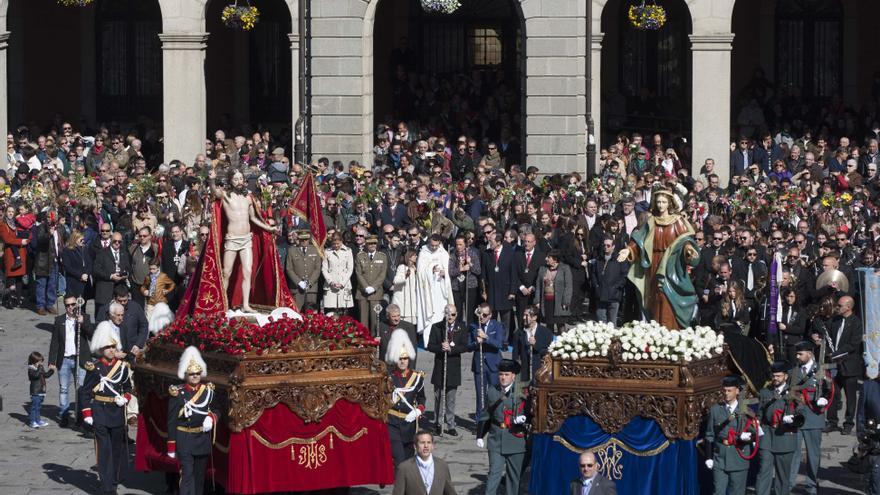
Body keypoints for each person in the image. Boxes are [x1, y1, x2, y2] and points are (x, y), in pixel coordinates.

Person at [617, 189, 699, 329]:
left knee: (666, 296)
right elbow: (639, 240)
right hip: (654, 263)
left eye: (664, 202)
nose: (661, 205)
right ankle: (656, 328)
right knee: (655, 297)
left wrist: (689, 250)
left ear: (669, 203)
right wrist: (629, 249)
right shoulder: (652, 221)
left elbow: (685, 240)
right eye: (659, 202)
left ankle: (670, 328)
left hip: (671, 264)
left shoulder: (677, 221)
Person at [207, 168, 281, 312]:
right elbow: (214, 191)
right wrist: (212, 180)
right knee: (226, 272)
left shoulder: (248, 198)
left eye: (241, 178)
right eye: (236, 179)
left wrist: (268, 228)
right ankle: (223, 304)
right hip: (232, 238)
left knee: (247, 272)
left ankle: (246, 305)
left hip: (247, 239)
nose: (239, 182)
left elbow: (253, 218)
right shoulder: (226, 196)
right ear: (230, 181)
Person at [81, 321, 134, 495]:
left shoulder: (122, 368)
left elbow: (127, 388)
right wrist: (87, 413)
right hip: (101, 411)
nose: (111, 350)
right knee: (104, 450)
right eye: (108, 347)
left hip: (117, 412)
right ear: (101, 349)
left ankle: (113, 481)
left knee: (116, 450)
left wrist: (125, 399)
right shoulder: (95, 368)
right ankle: (106, 486)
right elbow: (85, 392)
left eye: (113, 347)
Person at [166, 346, 219, 495]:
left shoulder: (208, 391)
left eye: (197, 373)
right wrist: (171, 445)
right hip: (185, 438)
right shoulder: (178, 393)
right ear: (186, 375)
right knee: (187, 475)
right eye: (192, 374)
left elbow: (216, 409)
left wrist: (211, 418)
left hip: (202, 438)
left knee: (199, 477)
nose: (195, 376)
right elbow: (171, 420)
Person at [476, 358, 530, 495]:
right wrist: (480, 435)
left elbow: (531, 412)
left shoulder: (522, 391)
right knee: (493, 474)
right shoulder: (492, 391)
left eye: (506, 374)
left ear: (513, 376)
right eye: (501, 374)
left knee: (513, 477)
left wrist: (524, 419)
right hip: (496, 440)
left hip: (516, 439)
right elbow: (485, 415)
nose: (503, 377)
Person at [789, 341, 833, 494]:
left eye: (800, 354)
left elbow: (830, 389)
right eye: (797, 353)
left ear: (809, 353)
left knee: (813, 455)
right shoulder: (794, 371)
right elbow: (788, 391)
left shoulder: (820, 370)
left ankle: (811, 485)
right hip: (797, 418)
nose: (797, 356)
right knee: (792, 453)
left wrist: (825, 398)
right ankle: (789, 485)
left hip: (814, 417)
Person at [704, 375, 757, 495]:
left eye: (729, 391)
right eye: (724, 391)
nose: (726, 394)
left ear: (737, 391)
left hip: (739, 456)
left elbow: (756, 434)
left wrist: (746, 438)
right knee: (718, 491)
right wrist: (708, 457)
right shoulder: (716, 410)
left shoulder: (746, 410)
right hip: (720, 458)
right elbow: (709, 434)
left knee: (737, 492)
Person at [47, 294, 93, 427]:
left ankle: (80, 416)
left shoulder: (85, 317)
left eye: (73, 304)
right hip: (65, 359)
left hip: (80, 359)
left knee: (81, 389)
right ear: (65, 306)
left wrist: (83, 323)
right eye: (68, 305)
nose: (71, 307)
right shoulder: (59, 320)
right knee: (63, 389)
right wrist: (52, 361)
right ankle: (64, 415)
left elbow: (91, 335)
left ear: (77, 305)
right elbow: (55, 342)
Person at [756, 361, 799, 495]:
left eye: (779, 376)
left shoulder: (794, 393)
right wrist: (756, 426)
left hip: (785, 436)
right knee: (763, 472)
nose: (775, 379)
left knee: (782, 475)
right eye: (774, 376)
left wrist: (793, 420)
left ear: (786, 376)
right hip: (767, 436)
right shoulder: (765, 392)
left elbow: (802, 415)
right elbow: (760, 413)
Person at [386, 329, 426, 468]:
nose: (403, 362)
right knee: (399, 459)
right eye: (400, 358)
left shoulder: (417, 378)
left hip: (409, 425)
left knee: (409, 461)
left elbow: (422, 400)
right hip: (392, 423)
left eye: (405, 358)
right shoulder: (388, 378)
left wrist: (418, 411)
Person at [426, 305, 468, 436]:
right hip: (440, 367)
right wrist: (440, 347)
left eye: (453, 315)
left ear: (457, 314)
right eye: (448, 314)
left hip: (453, 367)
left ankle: (450, 424)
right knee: (438, 397)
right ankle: (438, 423)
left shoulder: (461, 327)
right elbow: (430, 346)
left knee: (451, 398)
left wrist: (451, 349)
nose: (450, 317)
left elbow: (464, 346)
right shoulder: (437, 327)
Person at [825, 295, 865, 435]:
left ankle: (848, 423)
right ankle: (832, 421)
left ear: (848, 307)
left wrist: (836, 353)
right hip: (834, 365)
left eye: (840, 306)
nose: (837, 308)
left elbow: (853, 344)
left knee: (850, 397)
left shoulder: (856, 323)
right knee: (833, 394)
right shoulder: (835, 321)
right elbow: (828, 335)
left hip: (849, 364)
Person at [417, 234, 455, 346]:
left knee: (441, 314)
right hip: (428, 291)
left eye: (436, 245)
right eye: (432, 245)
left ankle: (441, 340)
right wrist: (431, 269)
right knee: (430, 316)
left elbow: (449, 270)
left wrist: (445, 274)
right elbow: (420, 272)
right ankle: (428, 341)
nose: (434, 248)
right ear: (429, 242)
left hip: (441, 290)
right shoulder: (423, 253)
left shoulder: (443, 253)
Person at [392, 430, 457, 495]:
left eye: (429, 442)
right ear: (415, 446)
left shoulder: (442, 465)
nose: (426, 446)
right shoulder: (404, 468)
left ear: (432, 446)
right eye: (422, 442)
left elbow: (450, 491)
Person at [470, 303, 504, 419]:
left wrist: (486, 338)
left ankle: (495, 419)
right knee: (480, 395)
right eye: (480, 315)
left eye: (484, 315)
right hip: (479, 365)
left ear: (490, 315)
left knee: (495, 394)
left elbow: (499, 344)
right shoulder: (474, 326)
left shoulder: (497, 326)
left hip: (493, 364)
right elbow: (468, 346)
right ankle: (480, 421)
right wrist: (476, 343)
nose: (482, 317)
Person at [93, 231, 132, 320]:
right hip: (105, 290)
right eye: (115, 241)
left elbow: (129, 268)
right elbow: (96, 270)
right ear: (111, 240)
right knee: (103, 317)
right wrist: (110, 276)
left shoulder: (124, 253)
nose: (117, 243)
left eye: (119, 241)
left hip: (119, 290)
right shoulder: (102, 253)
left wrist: (126, 275)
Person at [590, 236, 628, 325]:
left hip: (614, 294)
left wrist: (617, 287)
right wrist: (596, 286)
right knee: (600, 321)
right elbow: (593, 274)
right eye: (604, 245)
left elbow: (624, 275)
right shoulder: (599, 259)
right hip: (601, 293)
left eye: (608, 245)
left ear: (613, 246)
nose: (606, 247)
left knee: (612, 322)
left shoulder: (620, 259)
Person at [533, 251, 572, 334]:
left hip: (559, 302)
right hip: (547, 301)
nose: (546, 259)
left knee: (560, 324)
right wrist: (537, 301)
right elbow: (538, 287)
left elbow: (568, 286)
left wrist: (566, 301)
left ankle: (562, 342)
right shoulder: (542, 269)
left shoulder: (565, 268)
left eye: (548, 257)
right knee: (549, 324)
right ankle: (549, 342)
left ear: (555, 259)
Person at [356, 235, 388, 335]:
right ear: (366, 244)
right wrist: (365, 287)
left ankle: (375, 340)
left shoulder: (382, 256)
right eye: (370, 243)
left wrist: (373, 287)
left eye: (374, 243)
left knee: (375, 319)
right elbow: (358, 273)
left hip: (376, 293)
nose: (372, 245)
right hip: (362, 292)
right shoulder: (360, 256)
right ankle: (364, 340)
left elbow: (382, 274)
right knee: (363, 319)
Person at [513, 305, 552, 383]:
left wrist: (535, 344)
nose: (524, 317)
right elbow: (515, 354)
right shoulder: (518, 333)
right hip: (524, 373)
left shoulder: (545, 332)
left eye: (527, 315)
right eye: (524, 315)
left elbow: (547, 352)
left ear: (534, 317)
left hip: (540, 371)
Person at [284, 230, 322, 309]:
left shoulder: (315, 250)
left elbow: (317, 269)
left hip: (311, 289)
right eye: (302, 239)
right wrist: (299, 282)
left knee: (311, 314)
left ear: (309, 239)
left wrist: (310, 282)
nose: (304, 241)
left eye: (306, 239)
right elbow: (289, 269)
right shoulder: (292, 251)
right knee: (297, 313)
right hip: (297, 289)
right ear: (298, 239)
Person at [858, 372, 880, 495]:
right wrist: (863, 438)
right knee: (876, 481)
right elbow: (861, 413)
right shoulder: (868, 386)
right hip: (875, 442)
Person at [322, 233, 354, 315]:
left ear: (341, 241)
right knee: (330, 312)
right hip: (331, 286)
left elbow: (350, 269)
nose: (336, 245)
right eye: (334, 244)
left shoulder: (348, 251)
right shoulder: (327, 251)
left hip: (344, 285)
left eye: (338, 243)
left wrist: (342, 283)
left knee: (344, 311)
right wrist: (330, 282)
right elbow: (324, 269)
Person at [392, 249, 422, 327]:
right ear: (409, 257)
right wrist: (405, 276)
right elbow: (396, 281)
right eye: (414, 255)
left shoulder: (415, 268)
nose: (416, 257)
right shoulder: (402, 267)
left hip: (412, 301)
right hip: (403, 302)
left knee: (411, 326)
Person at [61, 230, 92, 299]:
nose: (83, 241)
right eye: (81, 240)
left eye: (83, 240)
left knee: (83, 305)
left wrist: (87, 274)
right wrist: (80, 275)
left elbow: (89, 263)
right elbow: (67, 267)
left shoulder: (85, 249)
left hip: (85, 281)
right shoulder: (67, 250)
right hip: (74, 281)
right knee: (74, 304)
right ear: (75, 239)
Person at [27, 351, 54, 428]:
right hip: (35, 391)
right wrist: (39, 368)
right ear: (34, 361)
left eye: (41, 362)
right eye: (39, 362)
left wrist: (51, 371)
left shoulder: (39, 368)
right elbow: (35, 376)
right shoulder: (31, 369)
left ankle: (38, 420)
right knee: (34, 407)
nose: (41, 364)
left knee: (38, 407)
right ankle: (32, 421)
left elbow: (45, 375)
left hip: (41, 390)